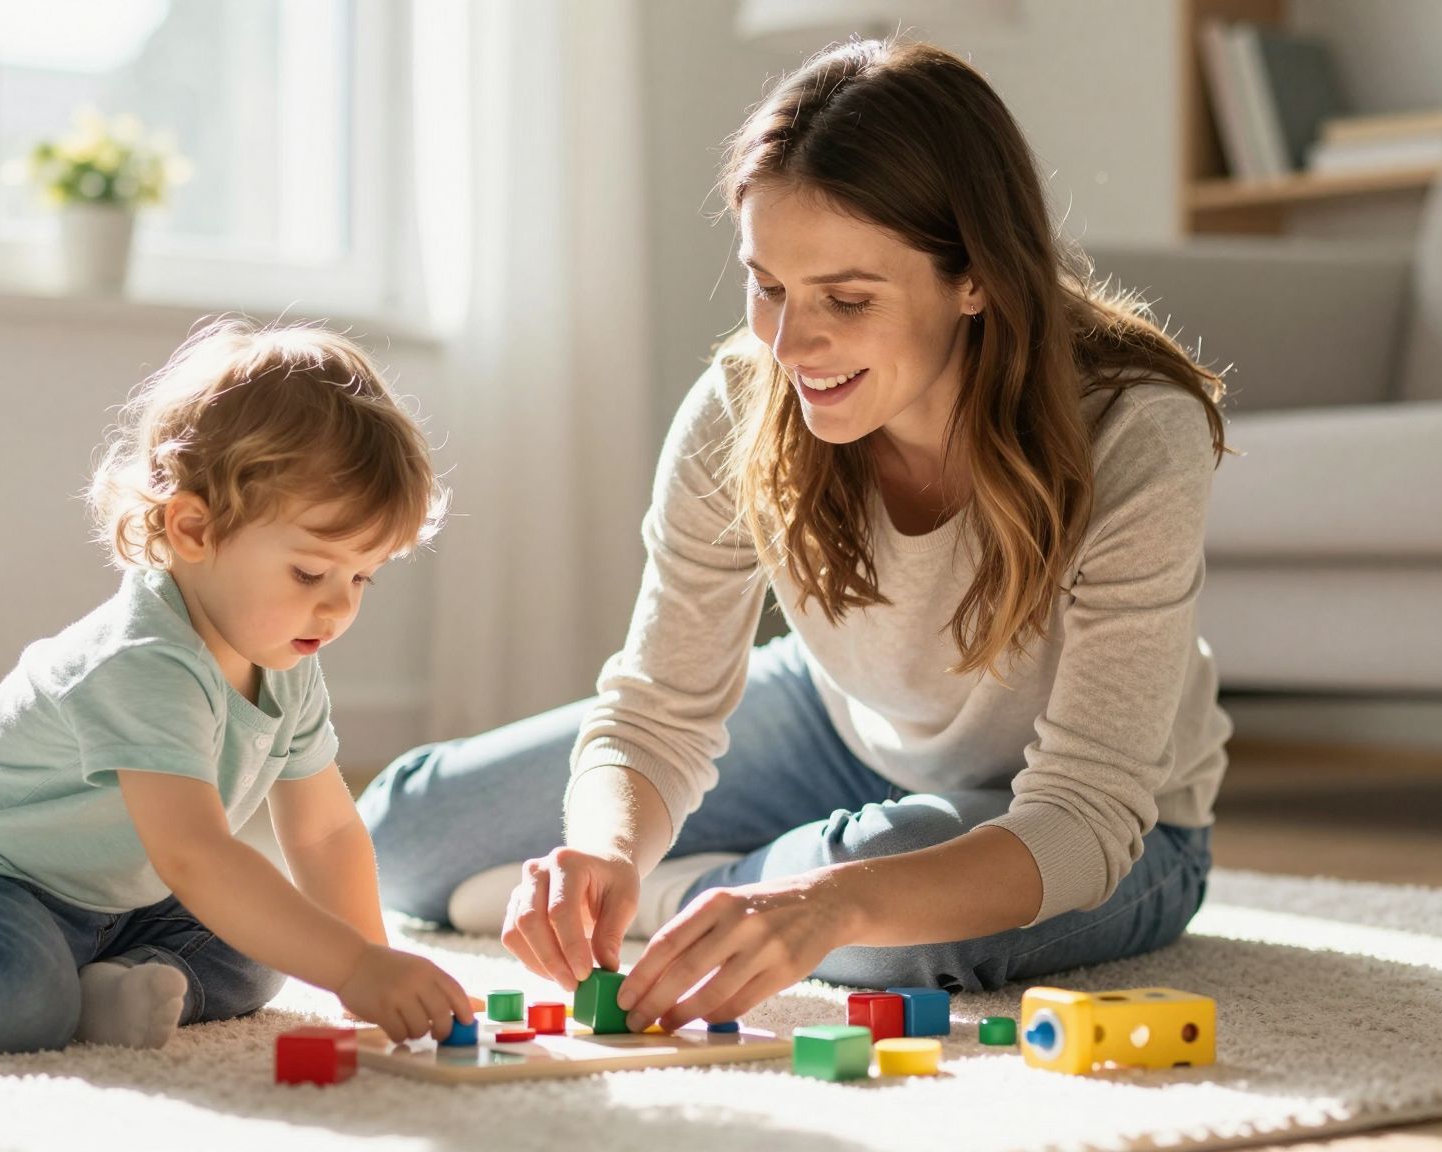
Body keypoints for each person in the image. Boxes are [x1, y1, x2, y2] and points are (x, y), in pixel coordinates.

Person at [359, 38, 1232, 1034]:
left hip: (1117, 824)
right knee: (406, 837)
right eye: (765, 285)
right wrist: (599, 851)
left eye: (846, 301)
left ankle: (704, 902)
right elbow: (657, 712)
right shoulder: (743, 404)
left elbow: (1083, 819)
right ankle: (736, 887)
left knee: (887, 932)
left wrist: (831, 901)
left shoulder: (1131, 431)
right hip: (842, 724)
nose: (787, 343)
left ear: (975, 278)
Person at [0, 319, 470, 1051]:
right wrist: (357, 967)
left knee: (264, 947)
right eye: (310, 572)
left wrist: (369, 965)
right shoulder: (144, 660)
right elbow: (196, 856)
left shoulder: (288, 662)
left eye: (362, 576)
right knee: (11, 998)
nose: (338, 607)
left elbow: (325, 831)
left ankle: (105, 991)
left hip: (117, 900)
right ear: (194, 531)